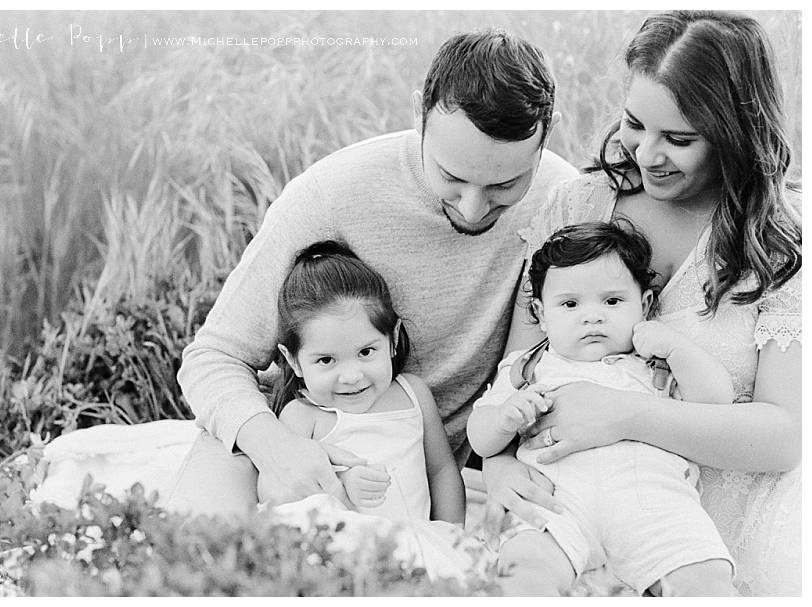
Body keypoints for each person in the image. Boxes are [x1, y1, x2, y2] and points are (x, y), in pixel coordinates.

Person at [167, 29, 578, 517]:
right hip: (292, 438)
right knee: (199, 550)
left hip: (427, 462)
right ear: (417, 116)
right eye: (451, 177)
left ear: (546, 132)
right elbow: (213, 357)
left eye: (505, 185)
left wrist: (503, 459)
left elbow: (531, 365)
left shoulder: (562, 203)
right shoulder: (331, 194)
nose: (472, 208)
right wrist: (277, 448)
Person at [483, 11, 801, 596]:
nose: (647, 153)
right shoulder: (580, 206)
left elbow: (783, 437)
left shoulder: (780, 238)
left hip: (713, 523)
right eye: (634, 124)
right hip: (572, 506)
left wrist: (626, 414)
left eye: (679, 140)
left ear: (735, 132)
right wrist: (501, 465)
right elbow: (521, 368)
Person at [468, 221, 736, 596]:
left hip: (650, 501)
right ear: (542, 314)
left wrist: (679, 350)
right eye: (570, 304)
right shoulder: (527, 366)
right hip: (555, 499)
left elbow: (717, 404)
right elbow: (479, 438)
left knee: (705, 576)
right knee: (524, 569)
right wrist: (503, 417)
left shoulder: (654, 360)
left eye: (612, 301)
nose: (592, 316)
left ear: (644, 305)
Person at [272, 240, 465, 525]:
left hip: (418, 546)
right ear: (294, 361)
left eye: (365, 352)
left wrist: (452, 537)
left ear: (393, 340)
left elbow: (441, 470)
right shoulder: (302, 416)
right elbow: (274, 490)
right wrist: (338, 479)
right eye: (326, 360)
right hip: (342, 555)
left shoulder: (413, 394)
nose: (351, 376)